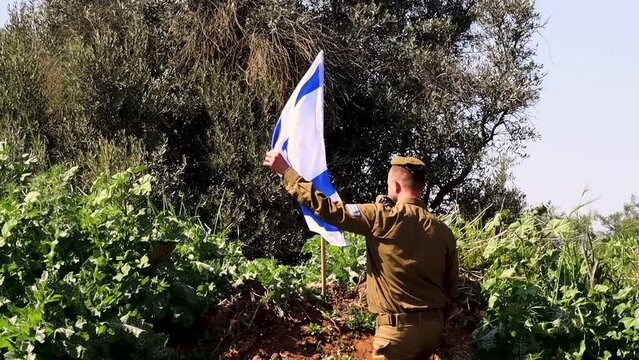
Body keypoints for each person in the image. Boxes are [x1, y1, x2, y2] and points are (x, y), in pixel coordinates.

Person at [263, 150, 458, 360]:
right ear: (421, 188)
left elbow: (330, 210)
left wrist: (286, 172)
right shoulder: (443, 231)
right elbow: (450, 286)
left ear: (396, 185)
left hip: (396, 332)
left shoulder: (381, 216)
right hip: (432, 329)